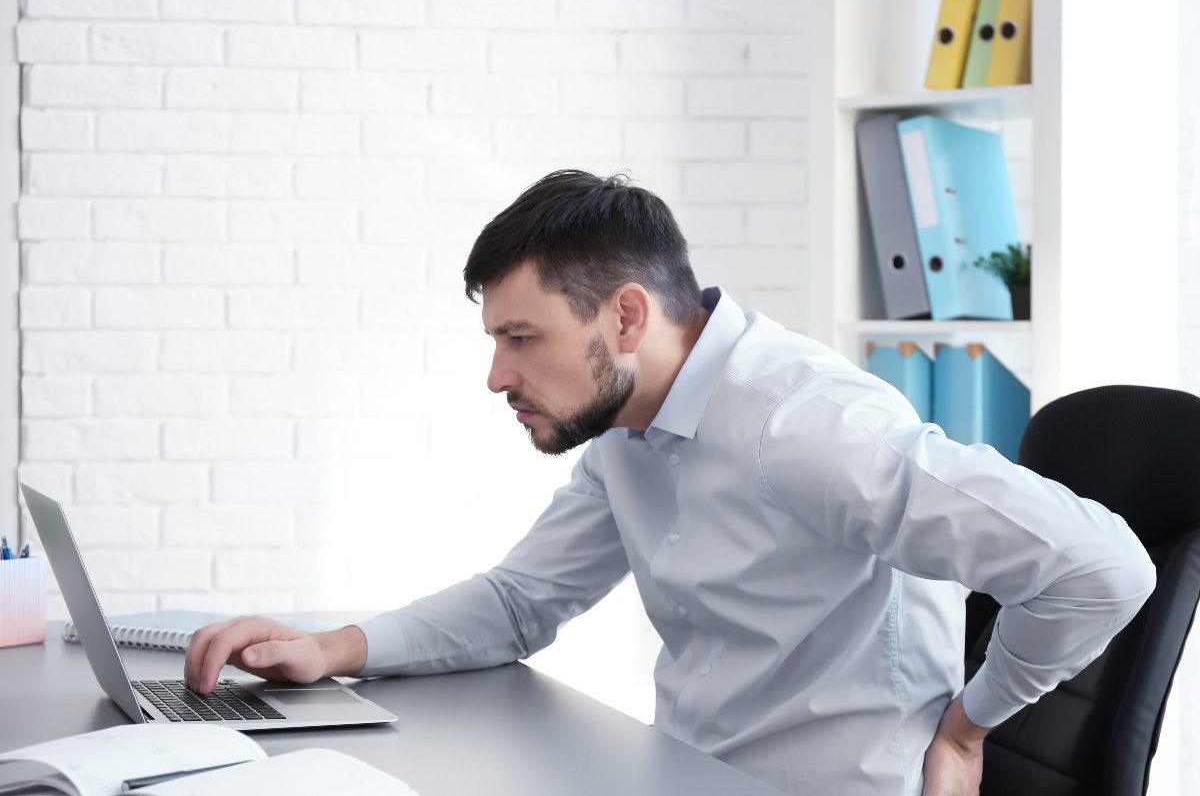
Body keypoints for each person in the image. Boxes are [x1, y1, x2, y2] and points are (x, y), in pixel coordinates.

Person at [183, 170, 1156, 796]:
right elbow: (524, 600)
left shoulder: (809, 427)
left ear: (626, 317)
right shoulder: (628, 426)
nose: (497, 377)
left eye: (521, 339)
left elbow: (1104, 567)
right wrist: (331, 648)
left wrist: (972, 723)